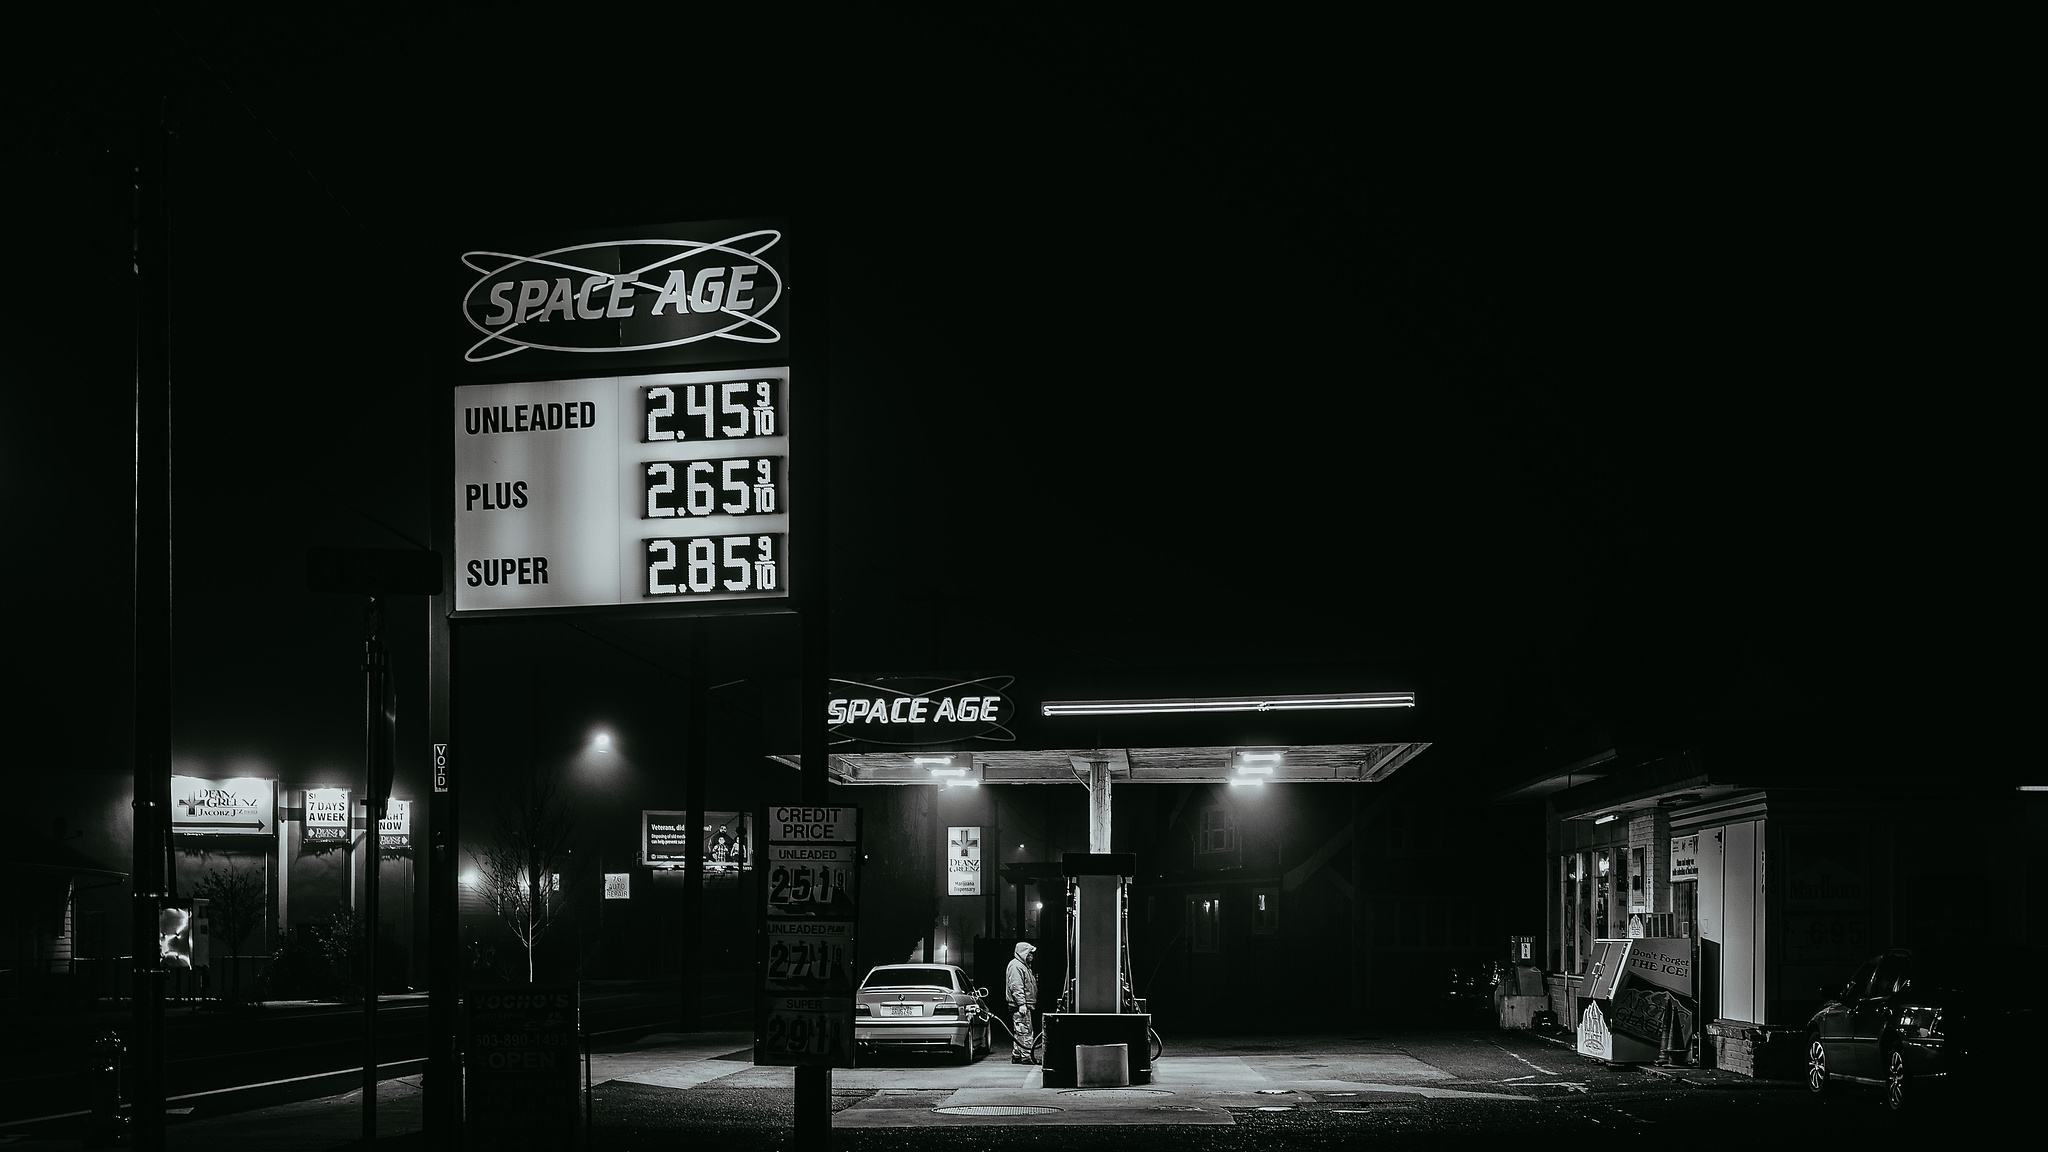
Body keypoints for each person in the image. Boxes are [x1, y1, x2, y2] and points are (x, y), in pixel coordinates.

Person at [1005, 941, 1038, 1064]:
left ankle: (1017, 1055)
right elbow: (1016, 987)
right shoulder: (1017, 966)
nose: (1031, 956)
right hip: (1020, 1006)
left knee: (1019, 1031)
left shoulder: (1021, 966)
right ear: (1023, 953)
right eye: (1029, 953)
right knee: (1025, 1031)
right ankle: (1026, 1057)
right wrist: (1022, 1004)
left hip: (1019, 1005)